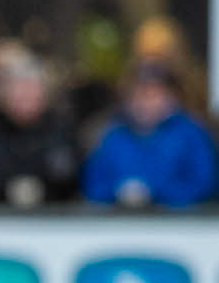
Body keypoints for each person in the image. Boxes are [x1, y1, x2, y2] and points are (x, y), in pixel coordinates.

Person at [0, 45, 79, 207]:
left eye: (32, 88)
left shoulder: (63, 134)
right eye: (18, 88)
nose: (25, 96)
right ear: (2, 93)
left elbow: (75, 185)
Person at [82, 60, 217, 208]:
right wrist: (118, 191)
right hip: (120, 225)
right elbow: (92, 184)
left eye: (154, 95)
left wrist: (154, 193)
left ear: (172, 97)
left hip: (179, 227)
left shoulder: (192, 134)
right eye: (140, 94)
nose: (146, 102)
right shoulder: (113, 134)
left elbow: (206, 185)